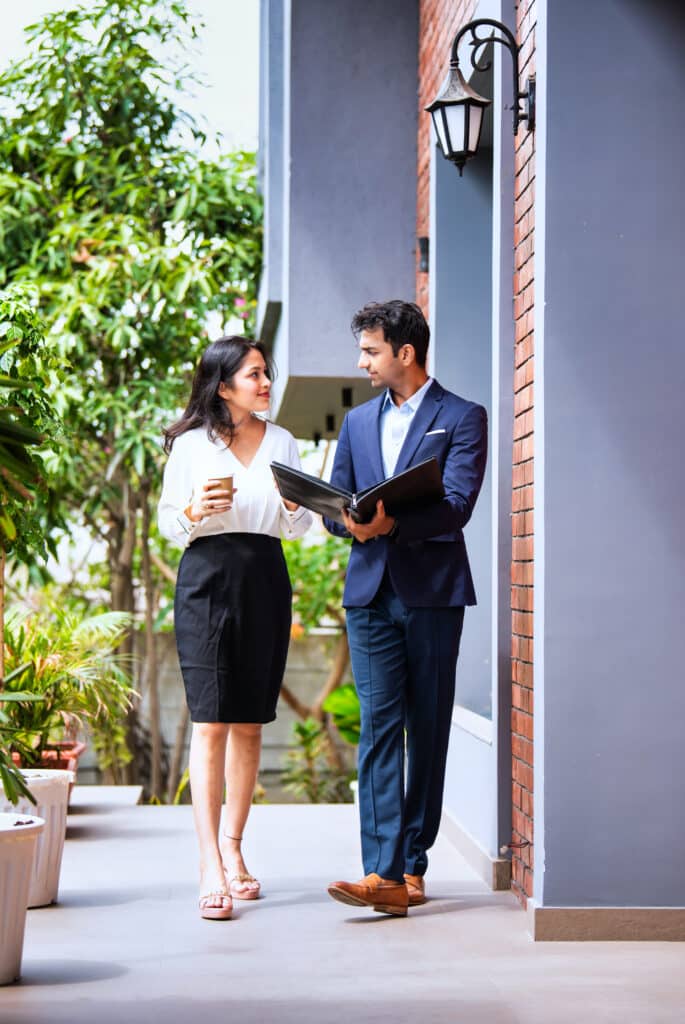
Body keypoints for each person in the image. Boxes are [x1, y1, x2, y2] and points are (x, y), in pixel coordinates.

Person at [323, 300, 487, 916]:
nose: (362, 361)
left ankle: (412, 864)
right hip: (368, 595)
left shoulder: (464, 417)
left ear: (404, 354)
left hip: (433, 593)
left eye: (370, 350)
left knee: (428, 725)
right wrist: (351, 526)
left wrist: (391, 524)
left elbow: (456, 504)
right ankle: (381, 870)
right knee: (379, 728)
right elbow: (339, 505)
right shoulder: (358, 423)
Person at [158, 335, 312, 920]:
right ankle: (209, 864)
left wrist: (293, 506)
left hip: (266, 577)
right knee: (211, 721)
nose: (266, 382)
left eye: (265, 373)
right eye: (254, 375)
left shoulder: (283, 442)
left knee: (250, 721)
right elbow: (171, 525)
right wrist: (196, 509)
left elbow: (297, 530)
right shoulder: (191, 447)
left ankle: (234, 847)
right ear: (224, 387)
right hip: (205, 577)